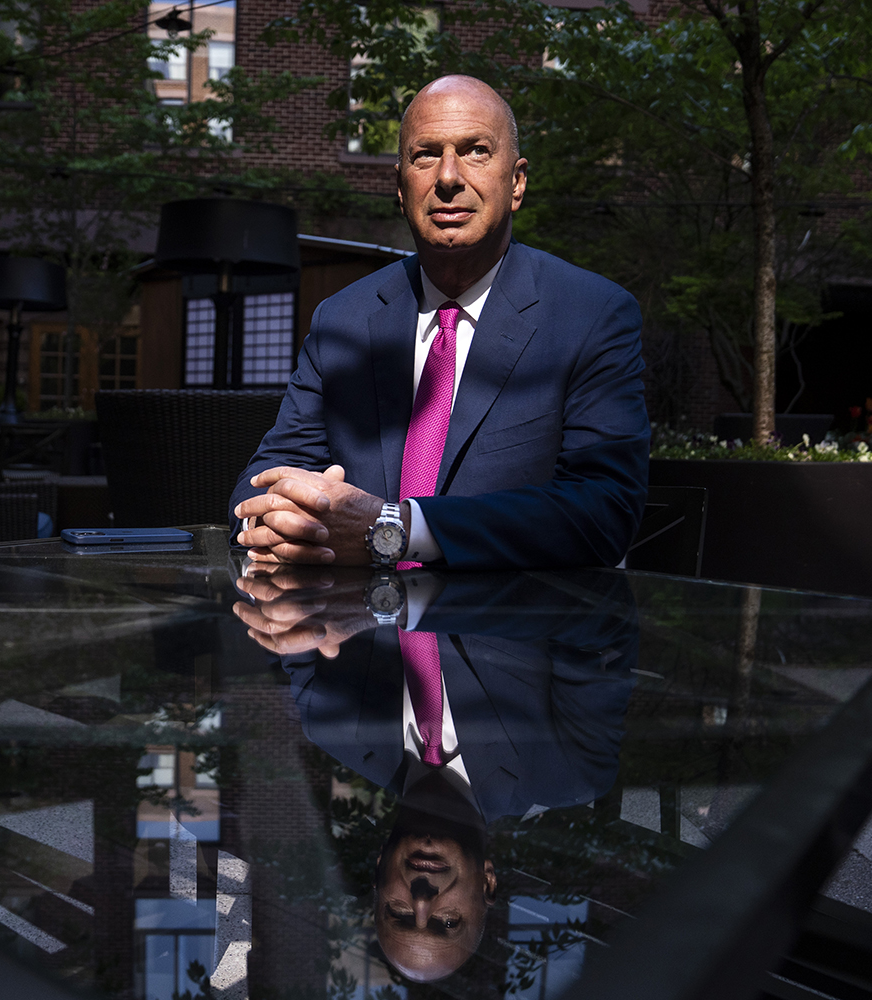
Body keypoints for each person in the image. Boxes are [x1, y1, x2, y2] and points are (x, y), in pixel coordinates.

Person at [230, 75, 649, 570]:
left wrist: (394, 528)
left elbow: (603, 513)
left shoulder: (591, 315)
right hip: (350, 634)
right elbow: (265, 477)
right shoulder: (343, 319)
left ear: (516, 183)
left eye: (475, 151)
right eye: (425, 154)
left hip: (514, 633)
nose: (448, 176)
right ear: (401, 189)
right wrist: (278, 520)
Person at [232, 563, 639, 982]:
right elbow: (597, 606)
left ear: (378, 870)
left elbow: (270, 578)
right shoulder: (570, 770)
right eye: (447, 922)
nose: (423, 900)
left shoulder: (330, 721)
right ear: (488, 885)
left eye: (400, 913)